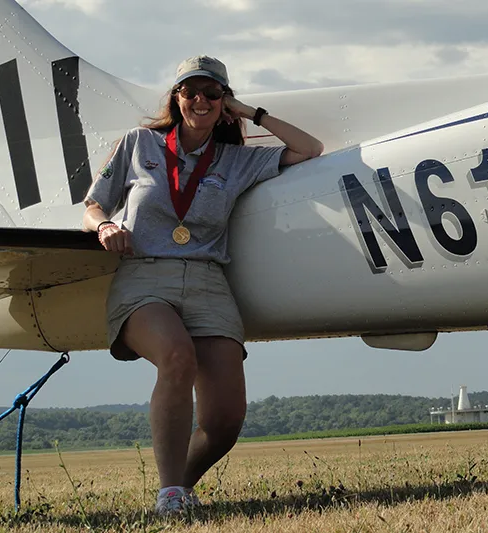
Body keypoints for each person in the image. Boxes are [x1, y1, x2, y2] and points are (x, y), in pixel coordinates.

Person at [82, 56, 323, 515]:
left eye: (212, 94)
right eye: (190, 91)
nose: (200, 100)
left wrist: (251, 113)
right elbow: (93, 205)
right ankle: (169, 494)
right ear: (176, 98)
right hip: (145, 276)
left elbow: (309, 149)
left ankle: (178, 486)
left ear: (223, 102)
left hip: (209, 281)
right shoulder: (139, 144)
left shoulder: (236, 160)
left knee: (226, 418)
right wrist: (104, 227)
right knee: (177, 357)